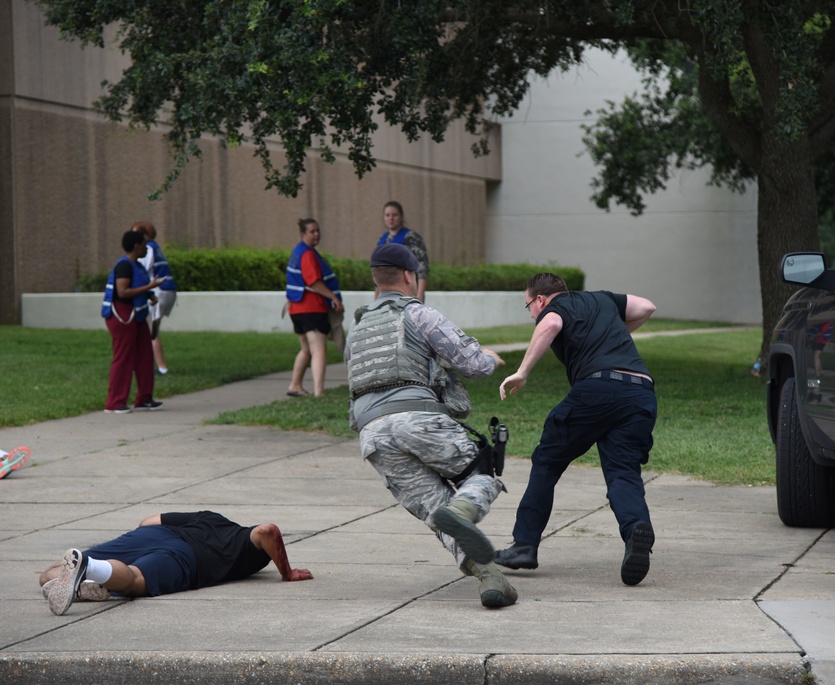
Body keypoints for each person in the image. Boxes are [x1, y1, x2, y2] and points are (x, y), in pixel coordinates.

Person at [345, 243, 517, 608]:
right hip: (418, 419)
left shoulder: (356, 330)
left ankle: (493, 579)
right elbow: (471, 364)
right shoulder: (418, 315)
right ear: (410, 276)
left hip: (373, 436)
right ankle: (461, 511)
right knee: (480, 473)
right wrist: (489, 358)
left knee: (435, 510)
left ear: (375, 279)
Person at [495, 273, 659, 586]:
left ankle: (524, 546)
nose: (531, 313)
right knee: (623, 471)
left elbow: (551, 325)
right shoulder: (602, 299)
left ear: (540, 300)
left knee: (547, 461)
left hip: (598, 389)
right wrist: (611, 334)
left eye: (528, 306)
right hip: (641, 391)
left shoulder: (553, 311)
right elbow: (646, 307)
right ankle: (636, 528)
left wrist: (522, 372)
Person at [39, 510, 312, 616]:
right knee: (134, 581)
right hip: (188, 558)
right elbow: (268, 531)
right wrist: (287, 572)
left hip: (154, 534)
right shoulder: (246, 544)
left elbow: (147, 521)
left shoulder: (208, 516)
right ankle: (91, 569)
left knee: (53, 572)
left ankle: (82, 575)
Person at [101, 230, 165, 414]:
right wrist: (149, 287)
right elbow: (123, 291)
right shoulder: (124, 266)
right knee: (123, 357)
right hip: (122, 315)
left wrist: (150, 294)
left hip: (136, 315)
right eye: (145, 245)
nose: (147, 248)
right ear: (136, 246)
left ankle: (144, 398)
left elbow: (138, 286)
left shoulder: (137, 265)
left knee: (145, 354)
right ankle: (114, 402)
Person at [285, 218, 344, 397]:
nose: (316, 234)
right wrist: (333, 297)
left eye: (318, 231)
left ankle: (295, 385)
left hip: (296, 309)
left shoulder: (297, 252)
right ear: (303, 234)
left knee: (306, 349)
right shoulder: (308, 254)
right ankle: (319, 391)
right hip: (312, 308)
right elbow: (314, 281)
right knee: (319, 350)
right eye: (312, 231)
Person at [131, 222, 178, 375]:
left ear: (144, 235)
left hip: (158, 292)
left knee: (151, 332)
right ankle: (151, 365)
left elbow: (142, 270)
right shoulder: (155, 247)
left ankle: (161, 368)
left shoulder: (147, 249)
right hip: (167, 291)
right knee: (152, 330)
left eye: (135, 233)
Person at [377, 201, 429, 302]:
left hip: (407, 294)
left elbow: (422, 268)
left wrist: (419, 296)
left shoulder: (411, 237)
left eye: (394, 215)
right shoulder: (383, 240)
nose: (391, 218)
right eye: (387, 215)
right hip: (387, 296)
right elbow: (378, 271)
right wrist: (377, 298)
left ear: (401, 216)